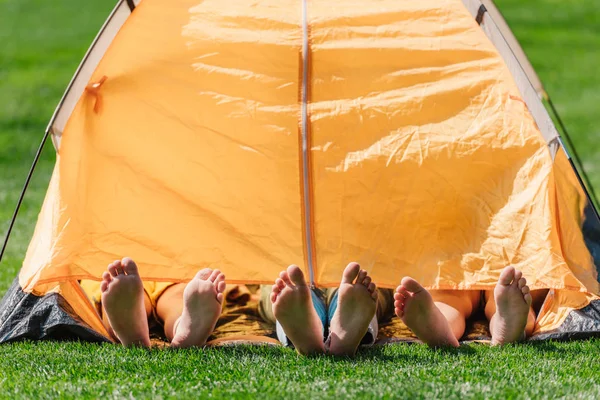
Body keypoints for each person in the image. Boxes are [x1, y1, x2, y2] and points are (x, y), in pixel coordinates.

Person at [260, 262, 394, 356]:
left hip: (284, 256)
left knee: (283, 287)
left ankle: (308, 324)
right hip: (351, 253)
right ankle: (348, 327)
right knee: (363, 287)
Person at [394, 266, 548, 346]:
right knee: (513, 291)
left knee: (450, 297)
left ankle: (443, 322)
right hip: (506, 246)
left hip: (462, 253)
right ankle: (510, 325)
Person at [95, 257, 226, 347]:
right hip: (175, 265)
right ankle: (180, 326)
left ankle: (129, 331)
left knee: (118, 288)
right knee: (175, 297)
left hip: (115, 256)